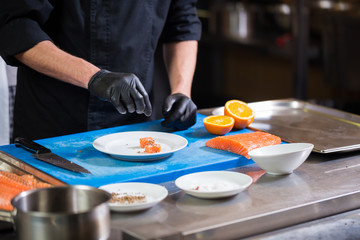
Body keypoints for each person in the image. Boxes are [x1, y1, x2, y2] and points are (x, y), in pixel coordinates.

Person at [0, 1, 201, 140]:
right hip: (56, 125)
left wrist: (181, 91)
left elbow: (182, 22)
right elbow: (18, 28)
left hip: (136, 123)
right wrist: (95, 77)